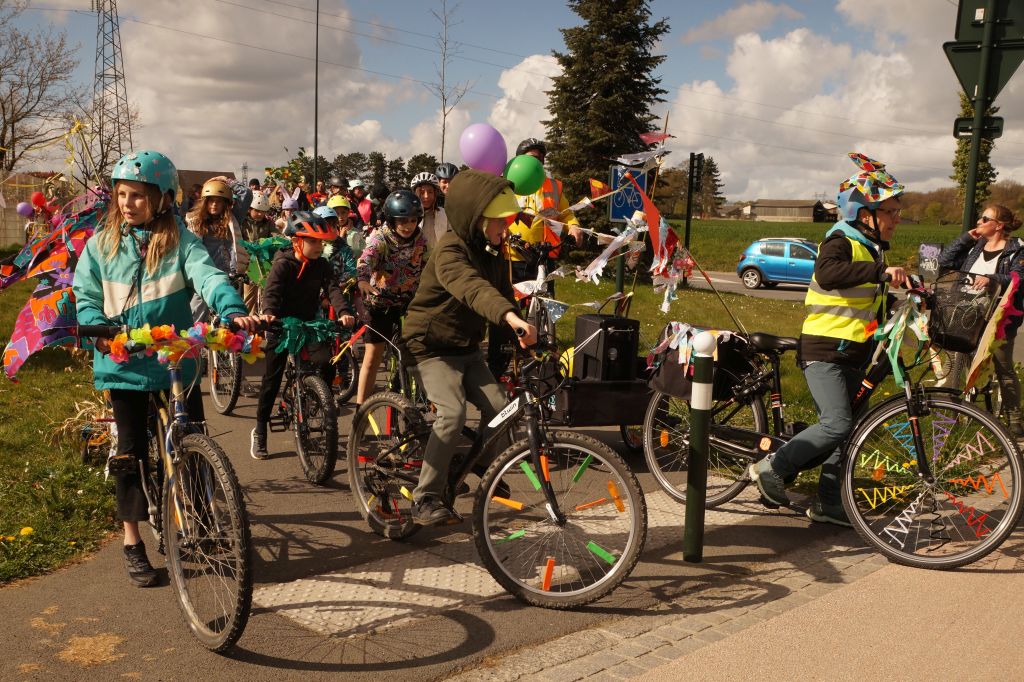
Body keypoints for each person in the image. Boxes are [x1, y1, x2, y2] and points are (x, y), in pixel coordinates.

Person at [73, 150, 263, 587]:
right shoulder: (101, 244)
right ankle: (132, 541)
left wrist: (232, 308)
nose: (127, 203)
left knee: (193, 437)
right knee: (130, 454)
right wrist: (97, 327)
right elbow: (85, 292)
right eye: (121, 195)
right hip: (124, 362)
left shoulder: (180, 239)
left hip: (175, 357)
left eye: (137, 196)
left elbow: (208, 276)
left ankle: (201, 519)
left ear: (161, 199)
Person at [749, 152, 907, 527]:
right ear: (864, 214)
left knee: (850, 429)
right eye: (891, 212)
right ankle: (772, 466)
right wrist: (882, 272)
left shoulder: (871, 248)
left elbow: (865, 300)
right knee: (837, 423)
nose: (897, 219)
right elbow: (828, 273)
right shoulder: (840, 239)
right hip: (825, 349)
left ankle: (828, 504)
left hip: (853, 352)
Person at [402, 170, 537, 525]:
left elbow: (503, 293)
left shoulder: (492, 252)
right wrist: (509, 317)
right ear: (476, 219)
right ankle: (425, 497)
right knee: (453, 414)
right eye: (499, 223)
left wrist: (524, 334)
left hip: (465, 347)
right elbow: (474, 289)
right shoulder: (450, 251)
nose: (505, 230)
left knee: (500, 408)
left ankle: (473, 464)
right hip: (429, 346)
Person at [250, 211, 354, 459]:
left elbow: (333, 290)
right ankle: (260, 430)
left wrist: (344, 311)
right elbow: (271, 293)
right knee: (271, 380)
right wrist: (269, 314)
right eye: (313, 241)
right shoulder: (283, 264)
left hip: (309, 323)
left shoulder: (322, 265)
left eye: (321, 242)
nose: (319, 246)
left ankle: (317, 402)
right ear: (297, 241)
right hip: (281, 324)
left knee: (326, 365)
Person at [487, 138, 583, 378]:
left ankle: (543, 367)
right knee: (506, 311)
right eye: (531, 158)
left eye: (540, 159)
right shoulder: (507, 185)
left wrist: (573, 226)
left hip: (543, 257)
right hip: (512, 256)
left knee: (547, 309)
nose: (537, 162)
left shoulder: (553, 186)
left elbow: (566, 213)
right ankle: (497, 367)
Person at [939, 204, 1024, 437]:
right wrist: (966, 238)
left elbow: (1019, 277)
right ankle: (950, 414)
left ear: (999, 225)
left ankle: (1013, 417)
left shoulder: (1017, 249)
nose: (979, 221)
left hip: (999, 316)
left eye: (984, 218)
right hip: (968, 312)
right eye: (979, 218)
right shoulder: (975, 247)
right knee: (958, 361)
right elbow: (945, 261)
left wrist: (991, 279)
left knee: (1003, 364)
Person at [354, 189, 428, 406]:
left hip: (409, 304)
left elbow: (433, 265)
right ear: (392, 220)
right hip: (381, 304)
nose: (408, 225)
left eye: (413, 220)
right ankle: (361, 409)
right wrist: (363, 280)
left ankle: (427, 400)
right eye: (403, 220)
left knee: (421, 351)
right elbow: (366, 259)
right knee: (373, 356)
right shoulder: (380, 238)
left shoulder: (421, 240)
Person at [185, 178, 250, 321]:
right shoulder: (196, 222)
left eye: (219, 201)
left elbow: (247, 194)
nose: (214, 204)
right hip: (204, 276)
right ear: (205, 202)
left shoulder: (233, 218)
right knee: (196, 317)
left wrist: (226, 180)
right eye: (211, 200)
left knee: (228, 318)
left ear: (226, 203)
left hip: (229, 275)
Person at [411, 171, 449, 248]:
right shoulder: (408, 216)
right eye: (421, 192)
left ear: (435, 193)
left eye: (430, 192)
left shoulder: (445, 214)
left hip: (440, 258)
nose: (426, 196)